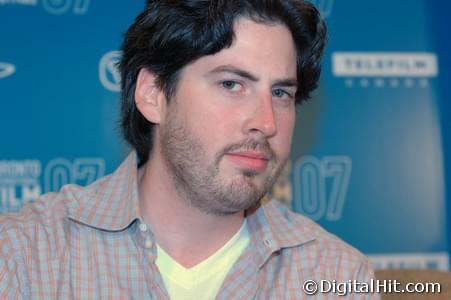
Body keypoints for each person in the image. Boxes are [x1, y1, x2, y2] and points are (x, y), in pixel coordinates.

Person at [0, 0, 378, 299]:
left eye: (280, 93)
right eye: (232, 84)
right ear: (154, 95)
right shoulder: (22, 257)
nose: (267, 122)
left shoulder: (337, 275)